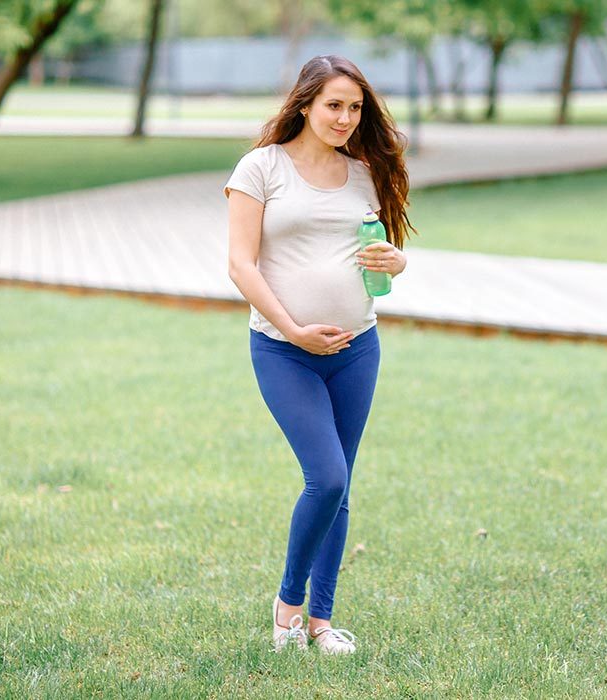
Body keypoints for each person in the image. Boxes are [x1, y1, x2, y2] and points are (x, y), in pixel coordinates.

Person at [224, 55, 414, 654]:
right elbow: (240, 264)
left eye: (355, 108)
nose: (346, 118)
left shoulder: (365, 172)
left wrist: (398, 262)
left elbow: (382, 252)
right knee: (325, 476)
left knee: (343, 484)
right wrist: (294, 328)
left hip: (358, 348)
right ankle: (286, 610)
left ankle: (321, 624)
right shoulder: (261, 168)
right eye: (334, 105)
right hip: (284, 350)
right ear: (305, 103)